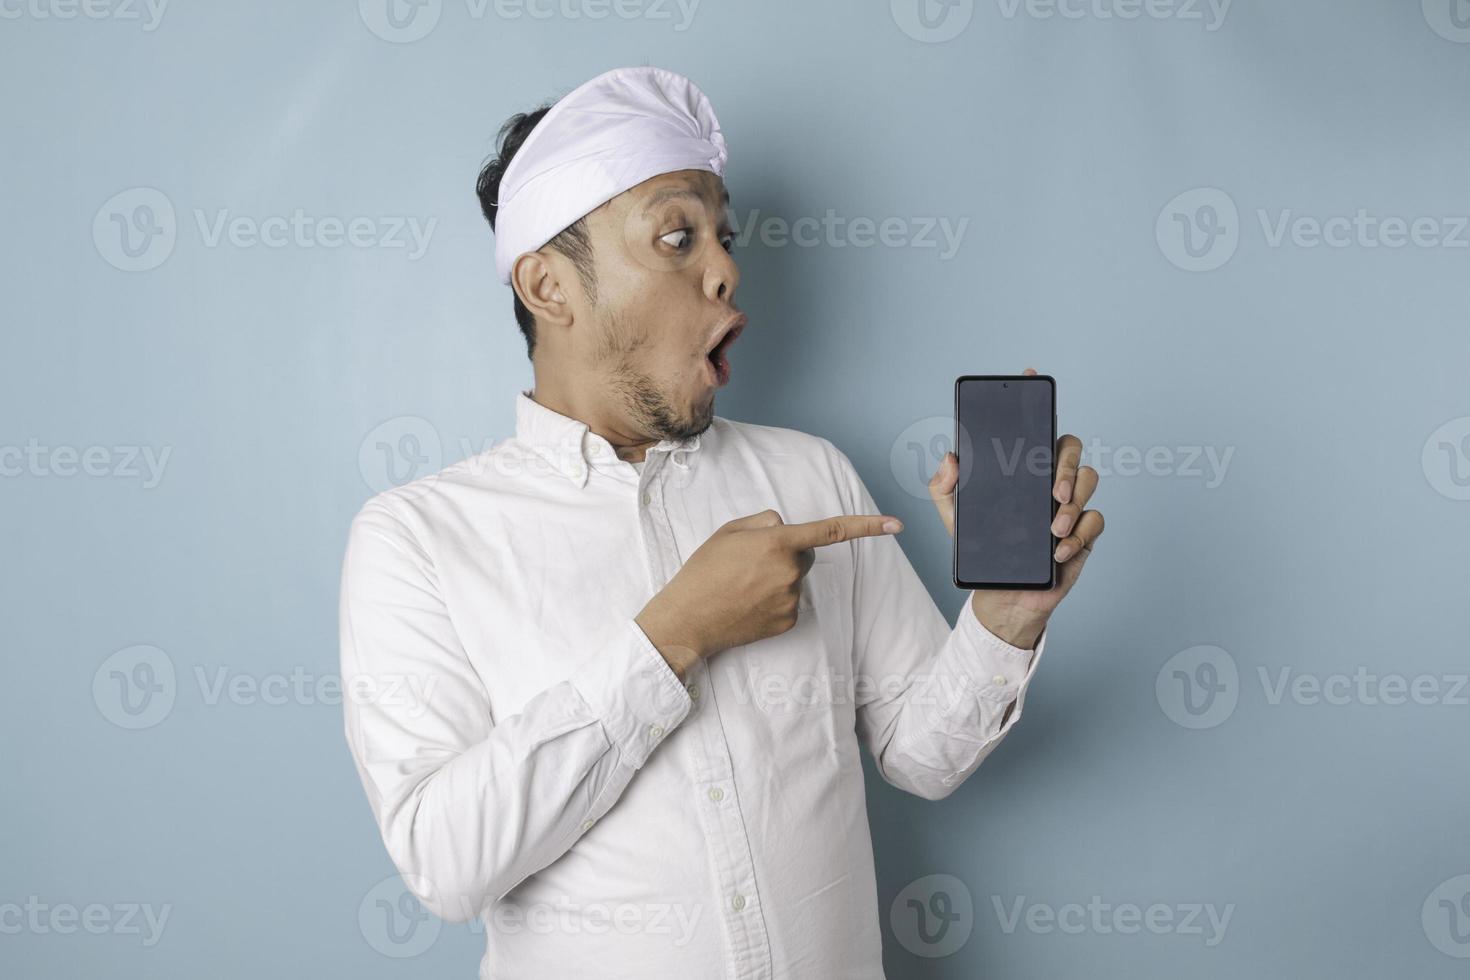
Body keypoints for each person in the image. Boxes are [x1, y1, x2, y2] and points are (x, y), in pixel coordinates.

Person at [339, 65, 1104, 979]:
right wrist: (673, 636)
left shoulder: (809, 472)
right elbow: (444, 862)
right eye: (676, 237)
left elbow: (921, 755)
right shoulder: (418, 540)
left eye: (724, 235)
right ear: (549, 287)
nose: (727, 268)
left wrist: (1005, 620)